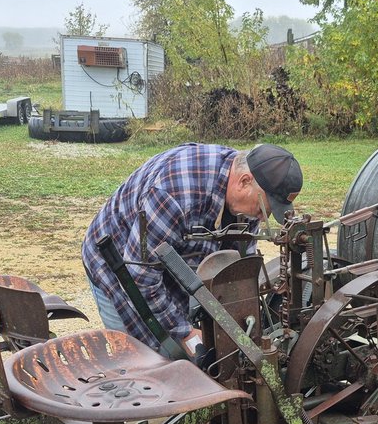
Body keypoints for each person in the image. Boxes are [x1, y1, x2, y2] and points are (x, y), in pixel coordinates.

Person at [82, 143, 302, 357]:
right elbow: (141, 279)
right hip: (118, 268)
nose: (265, 217)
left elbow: (237, 265)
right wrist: (184, 332)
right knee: (144, 362)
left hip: (166, 262)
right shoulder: (175, 194)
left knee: (184, 354)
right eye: (266, 207)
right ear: (244, 182)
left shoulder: (246, 192)